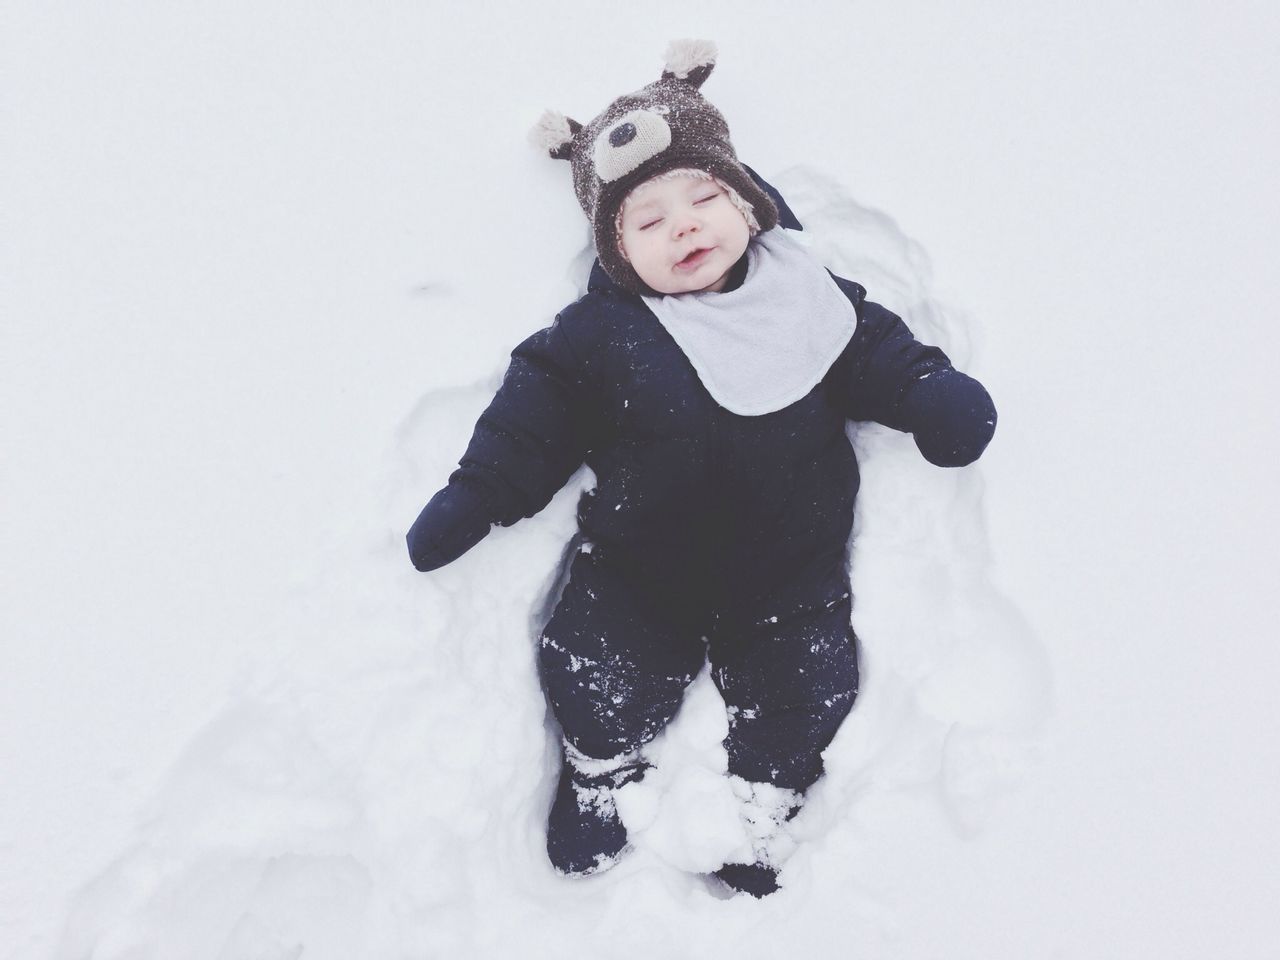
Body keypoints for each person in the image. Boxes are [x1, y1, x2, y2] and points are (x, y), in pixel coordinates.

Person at [406, 40, 997, 897]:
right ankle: (600, 770)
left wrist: (931, 392)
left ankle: (764, 802)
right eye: (647, 222)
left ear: (747, 204)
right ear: (617, 254)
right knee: (593, 664)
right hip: (643, 566)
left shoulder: (805, 296)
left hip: (788, 570)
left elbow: (879, 356)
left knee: (806, 687)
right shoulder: (601, 336)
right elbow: (533, 417)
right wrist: (478, 495)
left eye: (703, 198)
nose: (682, 225)